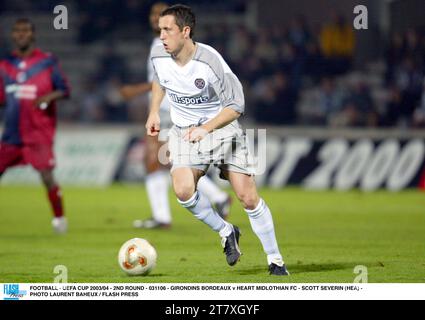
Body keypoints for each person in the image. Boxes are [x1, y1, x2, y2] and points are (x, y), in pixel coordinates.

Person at [146, 4, 289, 275]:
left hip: (222, 130)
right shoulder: (158, 53)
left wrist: (207, 128)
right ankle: (226, 231)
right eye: (160, 29)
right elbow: (159, 80)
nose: (161, 35)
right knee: (183, 190)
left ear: (185, 31)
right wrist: (154, 111)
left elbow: (236, 104)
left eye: (168, 30)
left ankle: (275, 260)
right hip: (184, 132)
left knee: (247, 197)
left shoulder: (210, 61)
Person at [120, 3, 231, 229]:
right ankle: (215, 198)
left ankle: (164, 216)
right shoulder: (158, 44)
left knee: (157, 160)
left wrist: (134, 90)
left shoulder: (167, 46)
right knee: (165, 160)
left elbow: (166, 81)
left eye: (160, 15)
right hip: (166, 110)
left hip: (174, 111)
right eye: (152, 14)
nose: (154, 18)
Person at [0, 18, 70, 234]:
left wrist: (47, 97)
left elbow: (64, 90)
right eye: (17, 31)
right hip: (11, 133)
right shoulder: (4, 66)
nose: (21, 34)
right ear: (13, 35)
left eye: (26, 31)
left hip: (38, 132)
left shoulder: (47, 62)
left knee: (47, 176)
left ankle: (59, 219)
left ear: (33, 35)